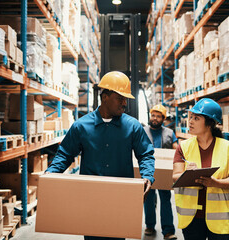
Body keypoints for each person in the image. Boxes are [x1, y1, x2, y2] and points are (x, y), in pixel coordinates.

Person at [46, 71, 156, 240]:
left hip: (120, 197)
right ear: (105, 97)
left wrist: (147, 176)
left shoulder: (133, 127)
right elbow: (65, 154)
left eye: (125, 99)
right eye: (120, 98)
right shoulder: (81, 127)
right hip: (91, 198)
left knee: (118, 237)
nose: (124, 103)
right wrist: (51, 175)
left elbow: (146, 155)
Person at [172, 98, 229, 240]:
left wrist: (216, 183)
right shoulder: (183, 147)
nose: (190, 121)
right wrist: (187, 174)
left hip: (221, 218)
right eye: (191, 117)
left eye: (196, 118)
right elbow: (175, 175)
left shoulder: (228, 148)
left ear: (209, 123)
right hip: (191, 217)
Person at [143, 104, 178, 240]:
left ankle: (168, 230)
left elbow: (177, 149)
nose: (155, 119)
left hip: (163, 173)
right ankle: (150, 226)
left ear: (163, 119)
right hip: (148, 171)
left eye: (158, 116)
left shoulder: (169, 133)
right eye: (153, 115)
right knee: (148, 199)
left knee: (165, 199)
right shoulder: (143, 131)